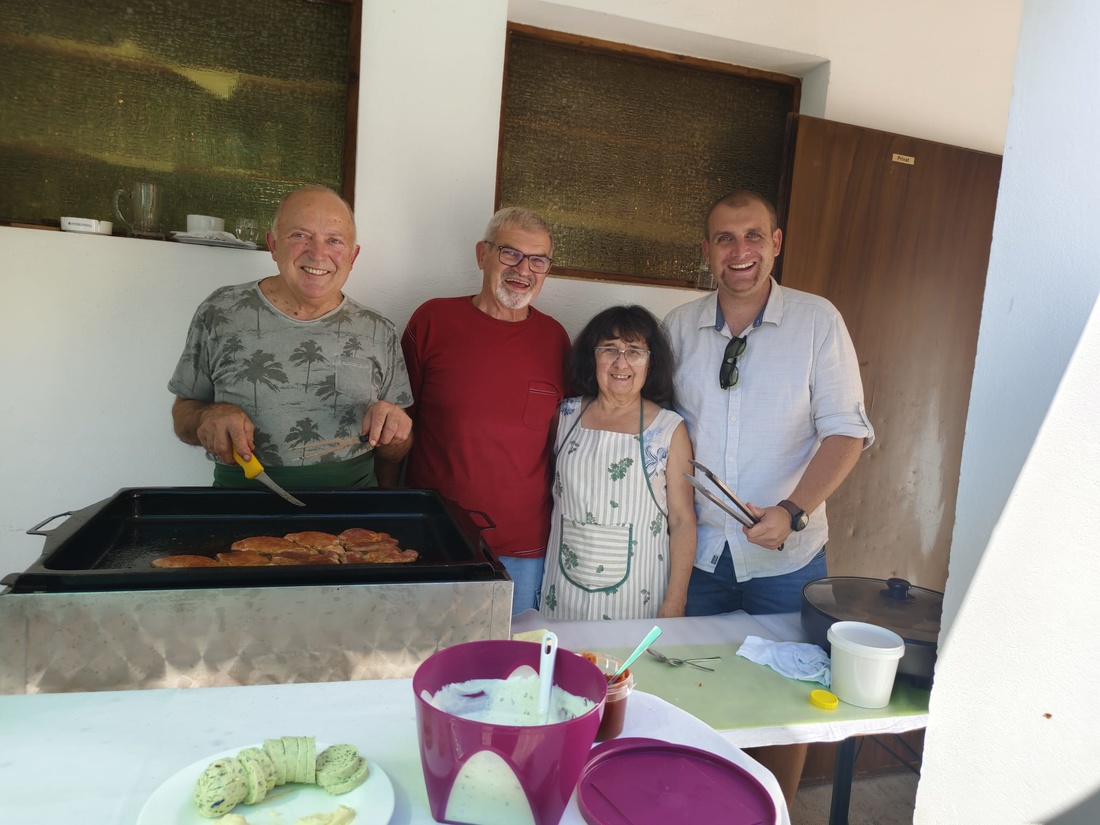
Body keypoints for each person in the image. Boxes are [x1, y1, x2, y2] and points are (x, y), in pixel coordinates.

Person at [663, 189, 875, 803]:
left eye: (754, 235)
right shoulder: (677, 328)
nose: (740, 251)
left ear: (776, 243)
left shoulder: (817, 321)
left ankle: (773, 809)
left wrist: (792, 510)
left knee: (788, 699)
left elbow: (847, 432)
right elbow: (659, 429)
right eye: (725, 238)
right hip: (698, 555)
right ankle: (698, 807)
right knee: (688, 688)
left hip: (788, 558)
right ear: (707, 250)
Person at [169, 185, 413, 488]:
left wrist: (396, 435)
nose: (318, 253)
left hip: (353, 507)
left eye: (334, 240)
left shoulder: (379, 330)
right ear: (273, 245)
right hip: (238, 502)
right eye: (300, 235)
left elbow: (396, 452)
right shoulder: (219, 311)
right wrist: (208, 415)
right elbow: (182, 417)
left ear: (353, 256)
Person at [401, 207, 570, 613]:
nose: (523, 270)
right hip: (436, 536)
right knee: (427, 646)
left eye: (538, 260)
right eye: (510, 253)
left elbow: (562, 442)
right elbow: (399, 428)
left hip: (524, 550)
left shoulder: (555, 339)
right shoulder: (432, 321)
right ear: (482, 255)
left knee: (512, 651)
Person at [540, 306, 696, 620]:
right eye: (609, 349)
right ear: (592, 357)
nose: (621, 363)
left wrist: (675, 602)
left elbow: (682, 521)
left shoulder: (668, 429)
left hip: (638, 596)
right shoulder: (565, 415)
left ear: (651, 361)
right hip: (563, 591)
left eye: (634, 351)